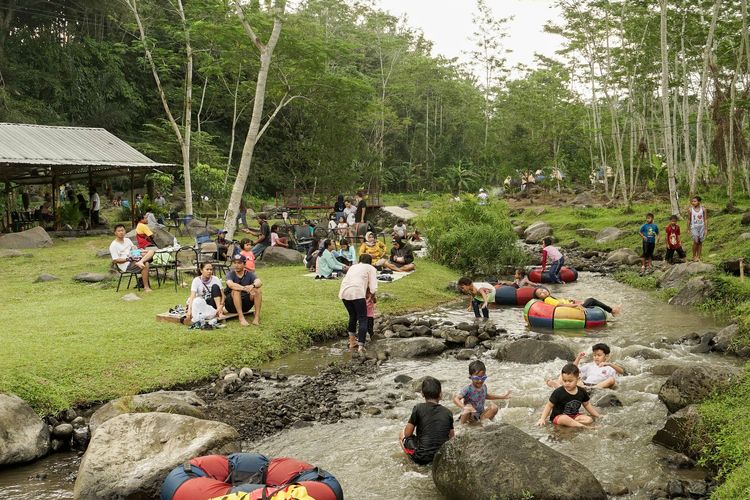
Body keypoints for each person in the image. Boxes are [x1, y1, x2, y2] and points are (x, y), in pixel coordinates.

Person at [399, 376, 454, 465]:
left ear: (422, 394)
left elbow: (407, 434)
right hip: (440, 456)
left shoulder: (418, 408)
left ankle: (410, 461)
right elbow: (452, 437)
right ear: (440, 394)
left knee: (401, 434)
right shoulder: (448, 412)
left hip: (421, 457)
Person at [536, 363, 600, 428]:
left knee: (589, 420)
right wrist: (542, 419)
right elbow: (549, 405)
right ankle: (582, 426)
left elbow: (587, 405)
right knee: (565, 418)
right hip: (559, 417)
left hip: (574, 416)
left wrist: (598, 415)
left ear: (578, 379)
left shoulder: (582, 391)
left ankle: (572, 424)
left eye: (570, 381)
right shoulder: (558, 392)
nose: (567, 383)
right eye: (564, 381)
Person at [339, 254, 378, 352]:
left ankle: (352, 342)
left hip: (344, 292)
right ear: (370, 262)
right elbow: (373, 287)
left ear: (360, 260)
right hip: (357, 293)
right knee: (363, 318)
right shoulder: (371, 268)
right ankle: (361, 346)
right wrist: (372, 296)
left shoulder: (353, 267)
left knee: (352, 316)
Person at [546, 343, 624, 390]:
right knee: (566, 373)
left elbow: (621, 371)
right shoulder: (590, 365)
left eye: (599, 355)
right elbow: (572, 370)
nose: (596, 357)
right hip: (585, 385)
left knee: (611, 380)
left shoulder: (610, 367)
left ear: (606, 357)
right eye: (594, 355)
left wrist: (609, 364)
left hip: (596, 387)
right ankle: (559, 385)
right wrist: (578, 358)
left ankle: (563, 387)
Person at [109, 224, 154, 292]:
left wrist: (136, 249)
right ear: (115, 233)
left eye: (122, 230)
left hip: (134, 258)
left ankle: (141, 261)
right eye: (119, 231)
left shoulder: (127, 240)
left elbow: (133, 249)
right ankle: (146, 287)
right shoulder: (113, 245)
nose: (121, 232)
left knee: (151, 251)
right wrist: (129, 259)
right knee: (146, 264)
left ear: (125, 231)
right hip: (126, 264)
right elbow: (115, 260)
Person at [224, 254, 262, 326]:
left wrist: (252, 286)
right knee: (236, 290)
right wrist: (245, 288)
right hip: (231, 305)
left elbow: (259, 282)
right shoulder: (230, 274)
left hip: (245, 305)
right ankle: (241, 318)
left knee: (257, 291)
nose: (236, 265)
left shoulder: (249, 274)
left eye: (239, 263)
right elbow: (231, 284)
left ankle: (256, 318)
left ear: (244, 264)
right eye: (234, 263)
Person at [533, 288, 621, 317]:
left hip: (572, 306)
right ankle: (612, 311)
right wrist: (577, 305)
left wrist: (572, 301)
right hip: (572, 309)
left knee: (590, 302)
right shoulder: (548, 299)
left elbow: (561, 302)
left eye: (543, 289)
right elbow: (560, 305)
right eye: (540, 293)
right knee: (591, 300)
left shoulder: (550, 298)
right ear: (540, 297)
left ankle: (611, 310)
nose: (543, 292)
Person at [688, 196, 708, 262]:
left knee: (700, 242)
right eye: (692, 201)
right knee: (696, 241)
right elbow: (689, 220)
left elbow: (705, 219)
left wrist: (706, 229)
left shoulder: (703, 209)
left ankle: (698, 256)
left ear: (699, 202)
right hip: (694, 227)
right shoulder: (690, 210)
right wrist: (688, 229)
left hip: (701, 226)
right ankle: (694, 256)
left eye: (695, 201)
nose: (693, 203)